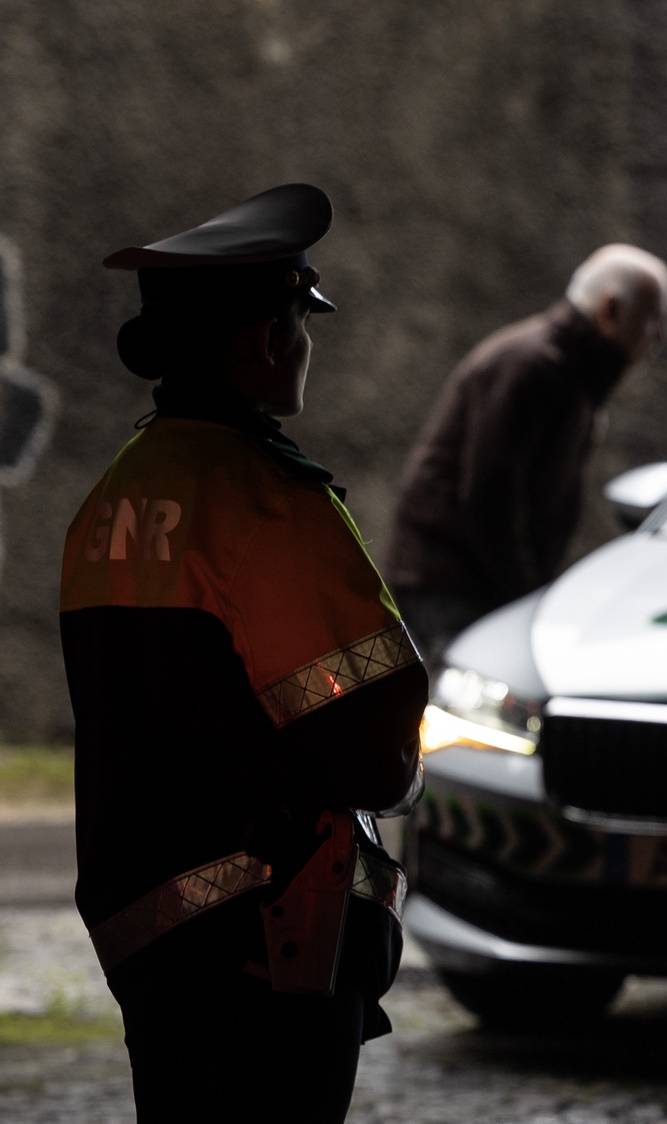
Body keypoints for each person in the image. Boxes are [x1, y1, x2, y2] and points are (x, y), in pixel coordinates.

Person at [61, 183, 426, 1122]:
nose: (304, 344)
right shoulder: (275, 504)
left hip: (147, 935)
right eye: (300, 321)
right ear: (267, 339)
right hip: (270, 942)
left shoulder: (112, 498)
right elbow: (374, 754)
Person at [386, 243, 667, 659]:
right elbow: (490, 501)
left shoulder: (568, 377)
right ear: (610, 310)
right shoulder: (533, 368)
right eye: (653, 321)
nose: (660, 338)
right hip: (451, 587)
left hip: (466, 587)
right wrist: (528, 598)